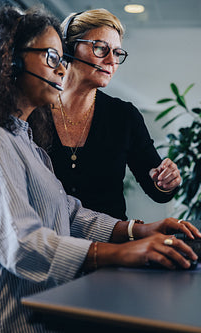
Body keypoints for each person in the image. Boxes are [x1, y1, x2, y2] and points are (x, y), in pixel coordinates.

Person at [0, 7, 200, 332]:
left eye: (60, 58)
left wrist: (137, 232)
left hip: (42, 313)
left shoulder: (24, 138)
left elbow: (69, 215)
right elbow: (23, 244)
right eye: (51, 57)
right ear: (10, 60)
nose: (61, 68)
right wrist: (119, 253)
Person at [28, 9, 181, 221]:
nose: (111, 60)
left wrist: (167, 181)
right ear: (67, 48)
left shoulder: (124, 116)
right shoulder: (32, 110)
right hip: (47, 245)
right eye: (101, 48)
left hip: (113, 246)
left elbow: (158, 191)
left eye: (117, 53)